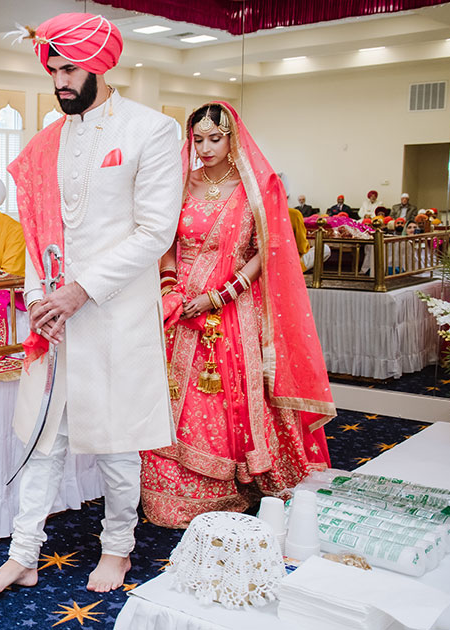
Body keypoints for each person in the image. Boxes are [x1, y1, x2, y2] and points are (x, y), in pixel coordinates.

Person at [0, 13, 182, 595]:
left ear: (101, 63)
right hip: (54, 317)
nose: (60, 81)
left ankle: (117, 549)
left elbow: (154, 232)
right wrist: (39, 297)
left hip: (113, 313)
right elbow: (38, 231)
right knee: (42, 438)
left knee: (116, 443)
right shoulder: (47, 142)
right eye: (53, 70)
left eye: (70, 69)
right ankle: (23, 553)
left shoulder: (151, 130)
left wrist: (79, 290)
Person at [141, 102, 335, 529]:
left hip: (229, 309)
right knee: (169, 396)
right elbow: (166, 241)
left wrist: (220, 295)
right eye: (198, 139)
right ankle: (167, 489)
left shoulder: (254, 187)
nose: (206, 147)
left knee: (218, 399)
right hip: (178, 306)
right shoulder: (179, 182)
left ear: (232, 138)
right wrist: (171, 286)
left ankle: (227, 484)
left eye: (215, 138)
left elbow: (266, 251)